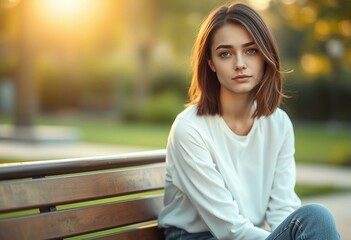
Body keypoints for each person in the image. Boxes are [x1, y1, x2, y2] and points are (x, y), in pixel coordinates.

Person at [157, 2, 340, 240]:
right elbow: (229, 230)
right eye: (225, 54)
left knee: (314, 220)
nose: (240, 63)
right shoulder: (189, 130)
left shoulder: (279, 124)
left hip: (249, 235)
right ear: (211, 63)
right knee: (317, 217)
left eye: (251, 50)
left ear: (265, 56)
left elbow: (283, 211)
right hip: (199, 237)